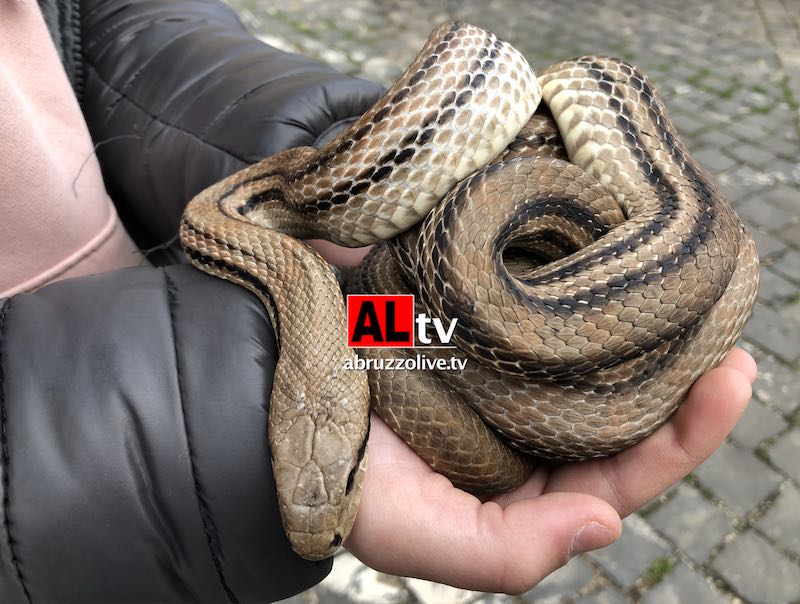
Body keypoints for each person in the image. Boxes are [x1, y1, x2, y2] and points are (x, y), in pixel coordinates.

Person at [0, 0, 756, 601]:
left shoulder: (299, 273)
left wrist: (344, 144)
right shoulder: (340, 317)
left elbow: (108, 18)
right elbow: (349, 325)